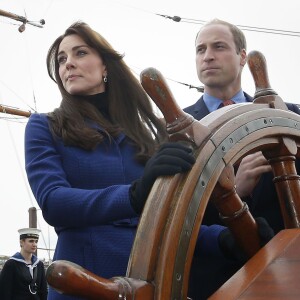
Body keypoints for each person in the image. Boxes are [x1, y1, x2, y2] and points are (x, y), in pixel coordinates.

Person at [24, 21, 273, 300]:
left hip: (153, 285)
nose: (68, 63)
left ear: (106, 66)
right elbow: (54, 202)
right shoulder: (44, 127)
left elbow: (169, 218)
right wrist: (134, 194)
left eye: (80, 53)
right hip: (83, 286)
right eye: (61, 59)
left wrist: (223, 239)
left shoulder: (146, 133)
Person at [184, 18, 300, 299]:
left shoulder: (290, 117)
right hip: (213, 282)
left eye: (219, 47)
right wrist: (234, 191)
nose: (208, 56)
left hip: (286, 275)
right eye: (201, 49)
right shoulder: (176, 130)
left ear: (243, 57)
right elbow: (180, 215)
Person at [0, 228, 48, 300]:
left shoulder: (39, 264)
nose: (34, 244)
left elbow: (43, 290)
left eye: (36, 241)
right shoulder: (11, 264)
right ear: (21, 242)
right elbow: (4, 291)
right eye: (31, 241)